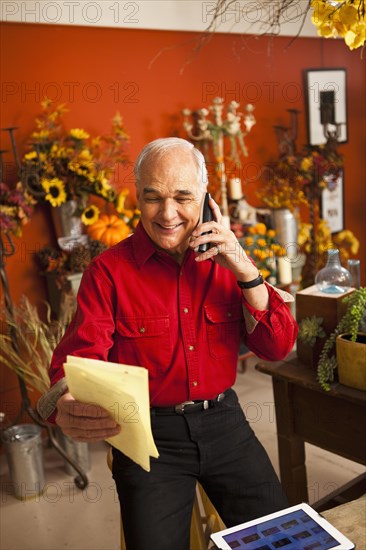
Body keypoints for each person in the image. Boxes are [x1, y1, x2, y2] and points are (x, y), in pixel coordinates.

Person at [39, 137, 298, 550]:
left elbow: (278, 346)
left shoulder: (231, 263)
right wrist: (66, 401)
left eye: (183, 197)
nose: (168, 213)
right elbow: (77, 360)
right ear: (137, 198)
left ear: (206, 198)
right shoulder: (107, 272)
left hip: (224, 422)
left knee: (283, 541)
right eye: (153, 197)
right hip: (148, 435)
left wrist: (245, 269)